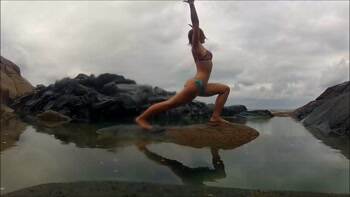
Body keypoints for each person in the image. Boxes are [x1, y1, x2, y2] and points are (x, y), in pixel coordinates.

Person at [135, 0, 231, 131]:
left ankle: (215, 118)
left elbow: (196, 28)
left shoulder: (201, 48)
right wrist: (192, 5)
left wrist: (195, 29)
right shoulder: (196, 48)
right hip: (196, 84)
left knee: (225, 89)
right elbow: (196, 24)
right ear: (197, 37)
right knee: (170, 104)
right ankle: (141, 119)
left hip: (202, 86)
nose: (203, 36)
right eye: (200, 34)